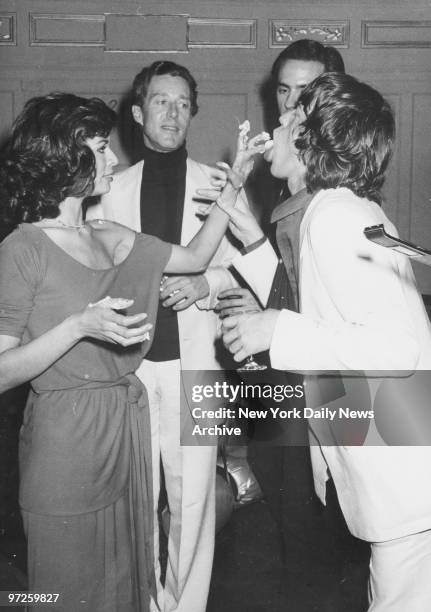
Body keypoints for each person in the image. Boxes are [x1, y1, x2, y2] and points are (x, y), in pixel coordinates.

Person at [0, 92, 260, 611]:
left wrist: (232, 191)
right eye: (99, 148)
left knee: (128, 582)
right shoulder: (21, 249)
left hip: (127, 430)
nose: (113, 159)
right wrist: (78, 326)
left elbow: (193, 257)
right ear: (64, 153)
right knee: (67, 589)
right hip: (65, 442)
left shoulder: (109, 233)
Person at [222, 73, 431, 610]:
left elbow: (397, 347)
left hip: (404, 475)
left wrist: (276, 329)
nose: (277, 123)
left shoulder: (334, 215)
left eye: (290, 119)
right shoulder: (343, 208)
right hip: (400, 457)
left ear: (312, 138)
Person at [86, 60, 254, 612]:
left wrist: (202, 283)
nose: (172, 113)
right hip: (127, 366)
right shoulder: (108, 191)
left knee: (194, 502)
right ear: (138, 113)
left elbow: (249, 268)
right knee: (135, 499)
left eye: (183, 103)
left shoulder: (219, 185)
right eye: (161, 101)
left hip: (197, 363)